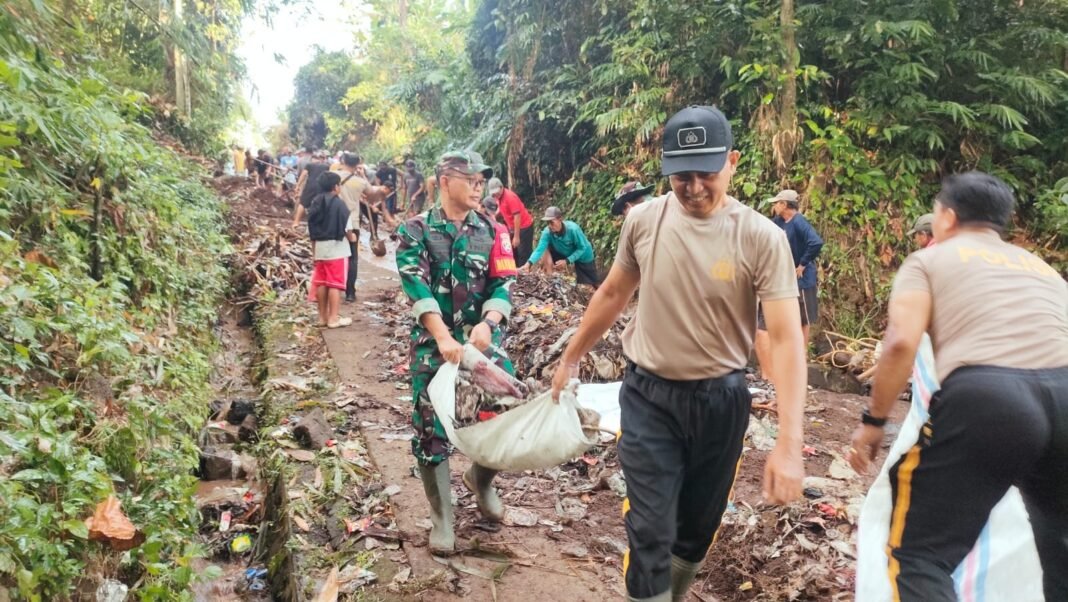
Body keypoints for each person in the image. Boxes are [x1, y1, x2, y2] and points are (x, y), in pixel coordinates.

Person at [550, 106, 806, 602]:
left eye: (705, 174)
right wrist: (571, 355)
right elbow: (611, 293)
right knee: (649, 530)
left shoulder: (762, 237)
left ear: (732, 162)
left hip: (721, 401)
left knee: (695, 532)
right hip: (649, 394)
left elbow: (787, 338)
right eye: (680, 176)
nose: (692, 187)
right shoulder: (644, 221)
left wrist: (790, 444)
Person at [849, 171, 1068, 602]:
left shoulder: (929, 260)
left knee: (918, 556)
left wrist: (873, 422)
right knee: (1060, 548)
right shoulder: (1041, 267)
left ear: (946, 217)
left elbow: (899, 346)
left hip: (990, 399)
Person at [396, 149, 517, 555]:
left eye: (482, 180)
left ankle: (481, 481)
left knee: (507, 411)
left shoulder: (492, 228)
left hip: (481, 343)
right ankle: (443, 519)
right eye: (470, 179)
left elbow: (502, 284)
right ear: (445, 181)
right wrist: (442, 336)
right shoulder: (415, 230)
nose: (478, 186)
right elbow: (416, 284)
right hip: (435, 346)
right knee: (431, 429)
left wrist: (489, 322)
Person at [753, 189, 823, 384]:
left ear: (784, 205)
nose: (774, 206)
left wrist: (802, 264)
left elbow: (816, 243)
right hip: (783, 280)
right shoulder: (779, 223)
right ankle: (778, 369)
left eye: (776, 203)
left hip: (802, 280)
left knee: (803, 320)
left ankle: (799, 363)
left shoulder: (799, 222)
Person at [306, 171, 354, 329]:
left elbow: (311, 229)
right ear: (335, 187)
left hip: (320, 248)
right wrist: (352, 237)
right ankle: (333, 319)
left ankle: (322, 317)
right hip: (337, 249)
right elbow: (348, 229)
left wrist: (314, 252)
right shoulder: (339, 204)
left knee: (321, 282)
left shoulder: (315, 202)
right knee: (335, 283)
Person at [521, 206, 601, 288]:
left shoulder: (573, 229)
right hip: (562, 251)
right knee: (545, 249)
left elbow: (582, 248)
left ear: (560, 219)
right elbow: (539, 249)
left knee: (591, 283)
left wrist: (567, 261)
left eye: (551, 222)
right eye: (547, 223)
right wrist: (529, 263)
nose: (550, 226)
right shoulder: (547, 232)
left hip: (583, 255)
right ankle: (550, 278)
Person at [333, 153, 371, 303]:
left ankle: (333, 289)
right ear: (358, 164)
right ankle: (350, 292)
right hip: (353, 222)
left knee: (334, 255)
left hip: (333, 221)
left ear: (342, 161)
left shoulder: (333, 176)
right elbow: (373, 193)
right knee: (352, 257)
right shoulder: (360, 182)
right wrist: (363, 176)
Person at [486, 177, 535, 267]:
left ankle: (524, 274)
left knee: (523, 253)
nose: (495, 195)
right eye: (493, 193)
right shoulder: (498, 197)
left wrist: (516, 236)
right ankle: (515, 272)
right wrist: (494, 216)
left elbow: (517, 216)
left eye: (497, 192)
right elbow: (502, 207)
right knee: (513, 251)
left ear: (501, 187)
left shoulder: (510, 197)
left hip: (524, 227)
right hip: (512, 227)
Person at [292, 152, 332, 227]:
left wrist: (298, 186)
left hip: (310, 186)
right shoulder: (327, 166)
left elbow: (303, 175)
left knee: (303, 203)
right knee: (319, 205)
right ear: (323, 159)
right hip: (321, 187)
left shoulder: (309, 165)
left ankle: (296, 222)